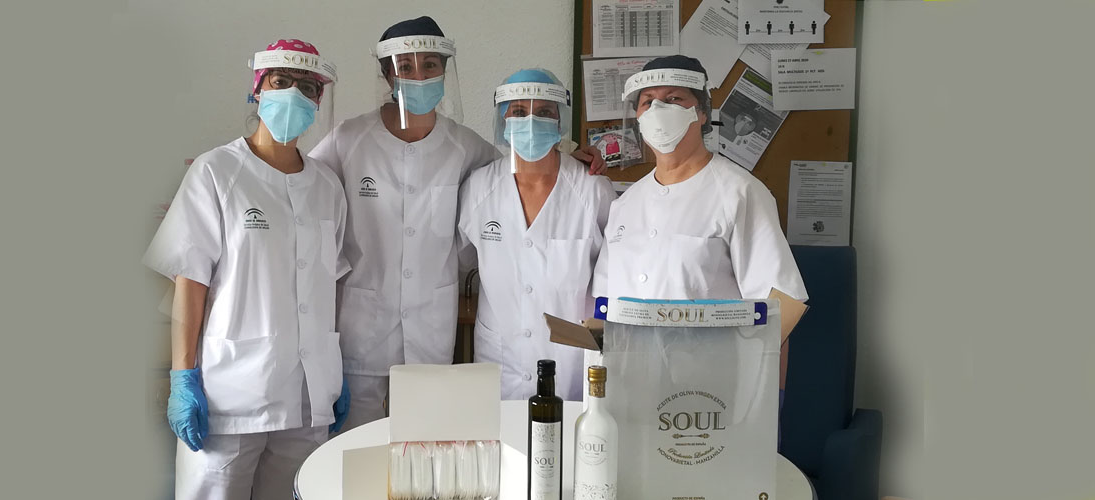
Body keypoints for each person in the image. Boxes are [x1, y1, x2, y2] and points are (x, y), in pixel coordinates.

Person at [311, 17, 606, 432]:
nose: (419, 76)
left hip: (431, 333)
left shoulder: (464, 145)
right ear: (387, 75)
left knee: (425, 452)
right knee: (358, 450)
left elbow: (521, 159)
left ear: (445, 71)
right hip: (362, 329)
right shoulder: (349, 139)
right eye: (405, 66)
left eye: (430, 65)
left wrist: (571, 151)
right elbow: (305, 184)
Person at [144, 39, 351, 500]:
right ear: (257, 90)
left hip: (308, 397)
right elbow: (190, 281)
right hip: (232, 396)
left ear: (318, 101)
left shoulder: (327, 186)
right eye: (281, 81)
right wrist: (183, 377)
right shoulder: (216, 172)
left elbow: (329, 286)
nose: (293, 94)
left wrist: (334, 370)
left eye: (307, 87)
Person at [592, 53, 808, 327]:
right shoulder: (625, 204)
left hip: (714, 355)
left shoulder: (740, 192)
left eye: (673, 98)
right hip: (629, 354)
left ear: (702, 112)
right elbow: (603, 305)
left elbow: (780, 306)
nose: (658, 109)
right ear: (638, 116)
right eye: (648, 101)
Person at [457, 69, 616, 401]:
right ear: (502, 121)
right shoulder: (478, 189)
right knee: (502, 432)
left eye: (544, 112)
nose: (530, 122)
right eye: (518, 112)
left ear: (560, 122)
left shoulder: (592, 191)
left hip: (570, 361)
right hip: (500, 359)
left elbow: (612, 279)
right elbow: (464, 259)